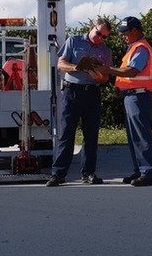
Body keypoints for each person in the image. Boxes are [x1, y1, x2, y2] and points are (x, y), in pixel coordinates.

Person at [45, 19, 113, 186]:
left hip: (92, 93)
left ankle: (88, 173)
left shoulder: (105, 50)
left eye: (104, 37)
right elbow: (61, 64)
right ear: (92, 28)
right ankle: (58, 174)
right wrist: (77, 67)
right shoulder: (74, 41)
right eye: (98, 33)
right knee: (66, 133)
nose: (100, 38)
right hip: (72, 91)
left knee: (91, 135)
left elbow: (106, 77)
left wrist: (98, 77)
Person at [109, 16, 152, 186]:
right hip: (132, 96)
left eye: (125, 32)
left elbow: (131, 71)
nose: (123, 35)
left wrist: (107, 69)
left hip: (138, 97)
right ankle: (140, 171)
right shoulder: (133, 47)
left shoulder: (140, 48)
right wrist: (120, 87)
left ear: (136, 31)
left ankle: (148, 173)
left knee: (141, 135)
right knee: (134, 136)